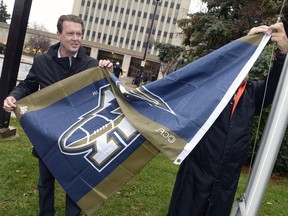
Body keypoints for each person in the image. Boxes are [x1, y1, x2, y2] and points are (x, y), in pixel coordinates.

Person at [168, 22, 288, 216]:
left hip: (224, 185)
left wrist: (282, 55)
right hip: (193, 180)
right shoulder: (211, 89)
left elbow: (274, 86)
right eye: (240, 59)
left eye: (249, 60)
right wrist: (247, 42)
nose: (243, 66)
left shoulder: (252, 95)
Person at [3, 14, 113, 216]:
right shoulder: (42, 61)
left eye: (79, 34)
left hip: (78, 135)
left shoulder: (91, 65)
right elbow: (28, 85)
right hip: (48, 135)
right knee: (45, 181)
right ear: (59, 35)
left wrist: (108, 72)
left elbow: (105, 92)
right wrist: (13, 96)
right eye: (70, 33)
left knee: (76, 184)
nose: (75, 38)